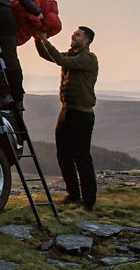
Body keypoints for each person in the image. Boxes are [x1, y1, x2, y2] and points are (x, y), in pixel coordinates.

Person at [36, 26, 99, 210]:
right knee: (63, 155)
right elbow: (48, 56)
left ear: (86, 40)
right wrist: (38, 39)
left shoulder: (88, 58)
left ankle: (88, 201)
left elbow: (59, 59)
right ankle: (73, 195)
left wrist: (46, 40)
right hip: (66, 112)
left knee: (82, 157)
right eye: (74, 33)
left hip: (82, 114)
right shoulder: (73, 56)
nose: (73, 35)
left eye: (78, 35)